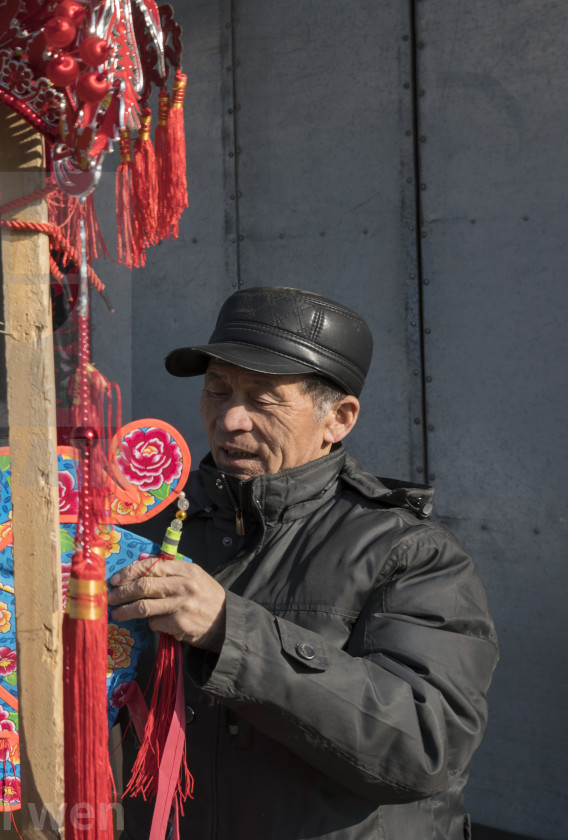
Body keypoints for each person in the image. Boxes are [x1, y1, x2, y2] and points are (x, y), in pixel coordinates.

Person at [109, 286, 497, 840]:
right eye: (217, 390)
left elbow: (427, 745)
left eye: (263, 399)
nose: (231, 419)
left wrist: (230, 629)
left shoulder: (410, 553)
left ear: (337, 419)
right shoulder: (151, 529)